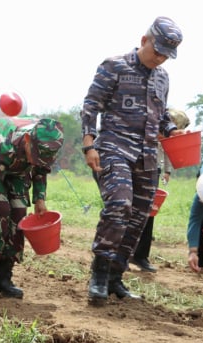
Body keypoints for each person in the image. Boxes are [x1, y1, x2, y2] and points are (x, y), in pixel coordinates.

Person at [81, 16, 184, 305]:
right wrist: (89, 145)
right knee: (119, 206)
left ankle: (115, 278)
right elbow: (91, 106)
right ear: (144, 40)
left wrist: (173, 130)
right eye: (157, 50)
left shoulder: (163, 77)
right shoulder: (114, 65)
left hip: (148, 157)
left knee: (138, 218)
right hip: (114, 148)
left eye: (166, 54)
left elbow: (162, 114)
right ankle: (99, 275)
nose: (160, 58)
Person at [0, 116, 64, 299]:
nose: (38, 161)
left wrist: (40, 198)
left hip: (19, 171)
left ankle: (4, 277)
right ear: (28, 140)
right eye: (35, 155)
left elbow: (40, 168)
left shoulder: (46, 142)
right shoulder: (2, 144)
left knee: (19, 216)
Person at [131, 108, 190, 272]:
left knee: (149, 212)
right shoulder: (145, 120)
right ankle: (117, 254)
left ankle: (140, 255)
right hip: (132, 163)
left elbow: (168, 151)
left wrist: (167, 171)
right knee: (126, 208)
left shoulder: (167, 132)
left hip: (152, 169)